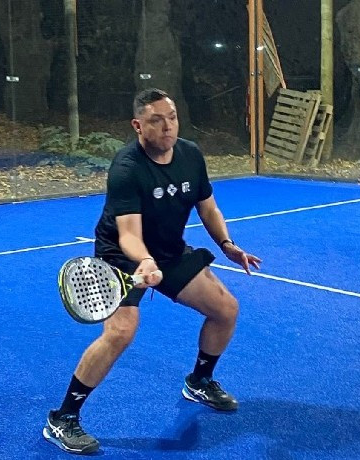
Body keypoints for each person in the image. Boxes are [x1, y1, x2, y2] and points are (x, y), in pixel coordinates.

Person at [43, 88, 261, 455]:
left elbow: (208, 208)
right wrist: (144, 262)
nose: (167, 127)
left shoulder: (190, 154)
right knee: (120, 332)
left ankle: (200, 381)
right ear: (138, 125)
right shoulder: (127, 168)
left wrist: (227, 244)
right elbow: (128, 234)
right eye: (156, 121)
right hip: (122, 256)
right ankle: (63, 417)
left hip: (169, 251)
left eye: (171, 118)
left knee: (226, 309)